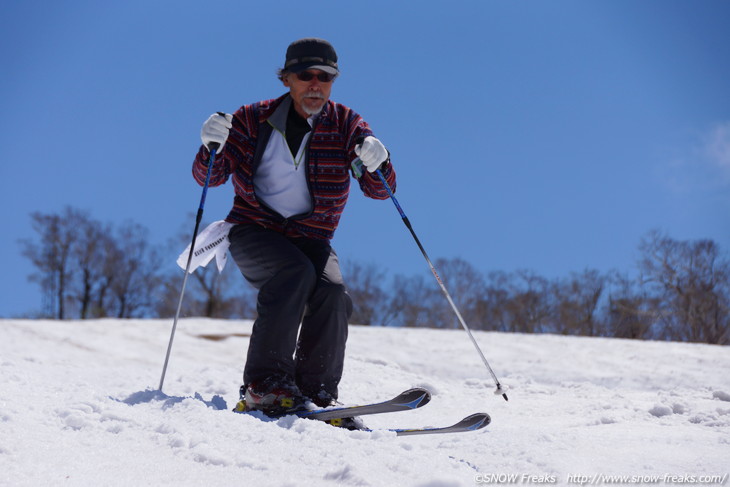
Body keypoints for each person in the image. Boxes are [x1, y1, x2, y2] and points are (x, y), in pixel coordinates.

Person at [193, 38, 396, 418]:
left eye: (326, 77)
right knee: (293, 273)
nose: (316, 84)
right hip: (255, 230)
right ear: (287, 78)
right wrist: (210, 145)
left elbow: (380, 190)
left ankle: (315, 392)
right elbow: (210, 176)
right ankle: (264, 385)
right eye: (306, 75)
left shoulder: (346, 124)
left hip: (312, 239)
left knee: (333, 293)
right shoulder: (253, 119)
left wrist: (379, 162)